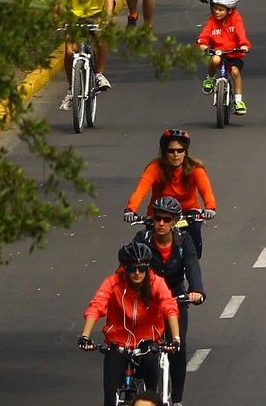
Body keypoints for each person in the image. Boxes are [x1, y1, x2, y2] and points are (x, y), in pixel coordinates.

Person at [78, 242, 179, 406]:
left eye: (141, 268)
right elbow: (96, 307)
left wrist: (175, 338)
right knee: (109, 398)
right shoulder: (112, 283)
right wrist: (85, 336)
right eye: (132, 269)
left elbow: (170, 308)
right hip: (118, 342)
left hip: (148, 342)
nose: (137, 273)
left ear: (147, 267)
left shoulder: (157, 283)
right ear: (124, 268)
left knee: (150, 389)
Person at [129, 197, 204, 405]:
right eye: (157, 218)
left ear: (174, 221)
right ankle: (141, 387)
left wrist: (196, 290)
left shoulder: (184, 241)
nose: (161, 223)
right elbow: (130, 266)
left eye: (166, 219)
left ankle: (177, 399)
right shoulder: (142, 239)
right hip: (147, 298)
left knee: (177, 346)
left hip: (175, 296)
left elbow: (191, 264)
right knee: (142, 347)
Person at [124, 129, 218, 255]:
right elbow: (140, 191)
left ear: (185, 152)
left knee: (194, 240)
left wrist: (210, 208)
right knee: (148, 252)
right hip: (159, 213)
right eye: (171, 151)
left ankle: (192, 262)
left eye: (180, 150)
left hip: (188, 214)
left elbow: (206, 191)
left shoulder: (195, 169)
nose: (176, 154)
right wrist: (131, 209)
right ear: (164, 152)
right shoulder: (154, 168)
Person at [197, 0, 251, 115]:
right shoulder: (212, 21)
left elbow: (240, 33)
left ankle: (238, 101)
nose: (216, 12)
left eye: (220, 10)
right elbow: (204, 35)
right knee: (215, 59)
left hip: (234, 54)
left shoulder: (236, 19)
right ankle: (210, 79)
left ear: (230, 10)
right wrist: (202, 44)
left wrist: (244, 45)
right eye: (215, 9)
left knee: (235, 72)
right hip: (218, 52)